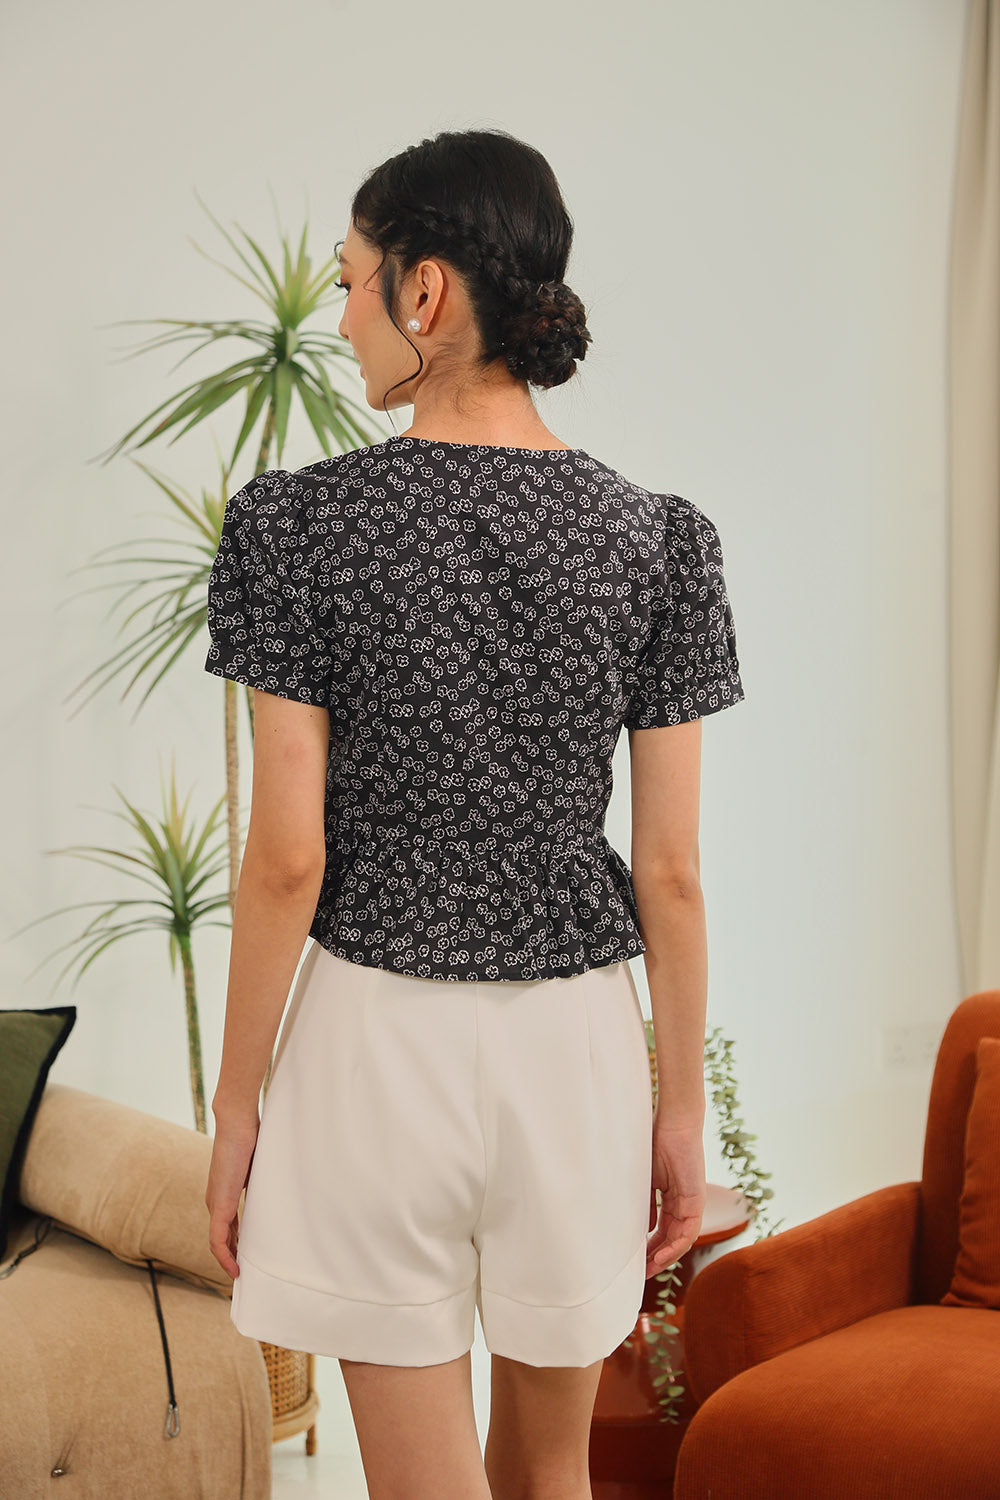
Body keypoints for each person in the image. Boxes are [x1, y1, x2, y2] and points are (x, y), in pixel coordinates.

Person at [204, 127, 746, 1500]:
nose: (341, 318)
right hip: (576, 1049)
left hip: (375, 1047)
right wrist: (680, 1114)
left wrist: (235, 1105)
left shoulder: (295, 527)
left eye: (352, 283)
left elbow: (287, 860)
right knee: (552, 1478)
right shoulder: (660, 539)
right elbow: (672, 873)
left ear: (426, 292)